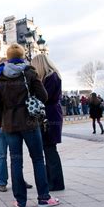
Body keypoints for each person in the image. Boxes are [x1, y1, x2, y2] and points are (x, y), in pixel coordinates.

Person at [0, 43, 60, 207]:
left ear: (8, 57)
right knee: (37, 159)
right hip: (29, 122)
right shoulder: (29, 72)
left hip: (10, 124)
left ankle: (20, 201)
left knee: (15, 161)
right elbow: (44, 95)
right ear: (22, 57)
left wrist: (7, 109)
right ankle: (44, 197)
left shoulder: (0, 76)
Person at [0, 59, 34, 193]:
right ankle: (2, 181)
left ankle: (18, 180)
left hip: (15, 124)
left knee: (16, 154)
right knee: (2, 154)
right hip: (2, 124)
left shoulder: (17, 81)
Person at [31, 54, 65, 192]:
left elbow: (44, 97)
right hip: (52, 114)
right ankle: (53, 181)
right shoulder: (53, 76)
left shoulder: (50, 78)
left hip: (49, 116)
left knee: (50, 149)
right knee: (49, 149)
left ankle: (55, 182)